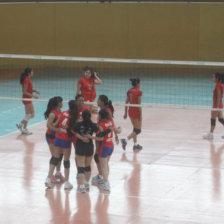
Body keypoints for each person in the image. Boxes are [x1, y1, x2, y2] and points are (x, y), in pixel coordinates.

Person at [45, 100, 79, 190]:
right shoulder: (75, 117)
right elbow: (74, 131)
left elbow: (54, 125)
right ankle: (67, 182)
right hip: (66, 140)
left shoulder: (62, 113)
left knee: (55, 158)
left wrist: (56, 128)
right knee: (66, 160)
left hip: (57, 138)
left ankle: (48, 178)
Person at [72, 110, 103, 193]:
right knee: (87, 166)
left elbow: (73, 132)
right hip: (89, 146)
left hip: (80, 146)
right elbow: (100, 132)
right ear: (90, 116)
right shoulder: (93, 125)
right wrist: (91, 136)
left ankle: (81, 186)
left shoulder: (78, 124)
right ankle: (86, 183)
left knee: (81, 167)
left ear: (82, 116)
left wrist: (81, 138)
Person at [92, 95, 120, 185]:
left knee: (102, 160)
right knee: (99, 159)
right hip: (103, 138)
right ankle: (101, 176)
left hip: (102, 139)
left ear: (102, 102)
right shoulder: (102, 110)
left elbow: (113, 125)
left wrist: (115, 135)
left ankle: (104, 179)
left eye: (98, 100)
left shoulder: (107, 111)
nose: (97, 101)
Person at [97, 109, 120, 191]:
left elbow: (100, 137)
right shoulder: (111, 122)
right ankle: (105, 181)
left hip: (104, 146)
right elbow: (118, 130)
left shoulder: (100, 125)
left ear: (100, 116)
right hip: (111, 146)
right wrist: (119, 129)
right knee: (106, 164)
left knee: (103, 166)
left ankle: (106, 184)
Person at [44, 96, 65, 183]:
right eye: (61, 102)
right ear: (58, 104)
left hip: (57, 136)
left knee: (59, 155)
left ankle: (58, 173)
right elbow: (48, 125)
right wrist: (56, 129)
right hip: (51, 136)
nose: (62, 103)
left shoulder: (59, 111)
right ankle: (50, 175)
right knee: (54, 156)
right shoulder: (52, 113)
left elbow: (58, 123)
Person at [121, 78, 143, 150]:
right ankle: (125, 140)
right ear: (138, 84)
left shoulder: (129, 91)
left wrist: (125, 113)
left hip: (130, 111)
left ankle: (135, 144)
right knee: (138, 130)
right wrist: (141, 115)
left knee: (135, 129)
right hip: (136, 112)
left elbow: (126, 102)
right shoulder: (139, 92)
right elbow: (139, 104)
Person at [16, 67, 40, 134]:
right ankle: (24, 128)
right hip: (26, 99)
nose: (33, 73)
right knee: (28, 114)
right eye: (32, 71)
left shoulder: (28, 79)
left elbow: (28, 89)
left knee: (32, 114)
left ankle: (20, 125)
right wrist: (34, 96)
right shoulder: (26, 80)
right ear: (29, 73)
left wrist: (35, 91)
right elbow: (24, 92)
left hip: (28, 98)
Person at [203, 72, 224, 139]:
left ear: (217, 79)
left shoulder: (218, 86)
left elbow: (219, 96)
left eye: (213, 77)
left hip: (217, 106)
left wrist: (217, 107)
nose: (212, 79)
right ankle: (211, 134)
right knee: (221, 119)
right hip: (219, 105)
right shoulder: (220, 85)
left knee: (213, 119)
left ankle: (211, 134)